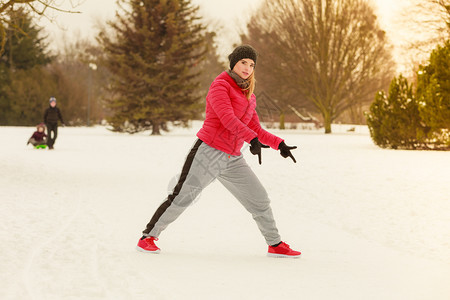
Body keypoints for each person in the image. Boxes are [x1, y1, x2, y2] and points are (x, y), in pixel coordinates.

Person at [137, 45, 301, 258]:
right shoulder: (220, 86)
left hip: (233, 158)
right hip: (208, 153)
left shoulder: (249, 97)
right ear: (233, 63)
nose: (247, 68)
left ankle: (275, 244)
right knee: (182, 196)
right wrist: (250, 139)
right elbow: (228, 119)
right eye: (243, 62)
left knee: (259, 199)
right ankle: (147, 237)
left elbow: (257, 129)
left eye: (251, 65)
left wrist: (279, 144)